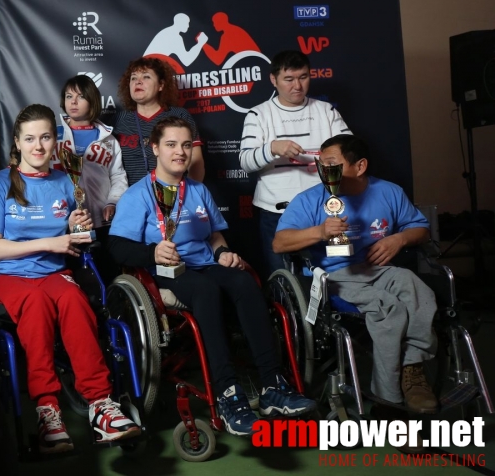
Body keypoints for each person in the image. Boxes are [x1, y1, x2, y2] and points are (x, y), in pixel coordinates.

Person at [109, 116, 316, 436]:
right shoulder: (138, 195)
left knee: (245, 281)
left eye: (185, 145)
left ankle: (273, 385)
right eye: (171, 145)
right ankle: (228, 393)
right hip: (166, 273)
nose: (180, 152)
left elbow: (215, 237)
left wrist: (223, 254)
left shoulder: (198, 189)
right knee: (205, 290)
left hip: (206, 264)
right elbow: (118, 247)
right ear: (154, 149)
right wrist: (151, 253)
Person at [0, 104, 141, 454]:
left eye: (46, 137)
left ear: (56, 142)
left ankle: (101, 405)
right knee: (36, 305)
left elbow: (74, 235)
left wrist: (75, 228)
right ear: (17, 143)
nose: (38, 146)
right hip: (10, 275)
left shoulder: (67, 180)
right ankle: (47, 408)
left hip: (54, 271)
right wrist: (51, 241)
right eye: (30, 138)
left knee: (75, 301)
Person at [273, 134, 438, 414]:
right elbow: (280, 243)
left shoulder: (389, 192)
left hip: (376, 269)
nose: (325, 172)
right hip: (334, 276)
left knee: (417, 288)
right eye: (321, 165)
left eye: (332, 164)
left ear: (359, 166)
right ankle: (388, 399)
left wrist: (399, 239)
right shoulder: (310, 199)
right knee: (388, 308)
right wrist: (320, 232)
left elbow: (420, 229)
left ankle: (413, 372)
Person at [239, 50, 351, 275]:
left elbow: (351, 153)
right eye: (288, 79)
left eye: (303, 77)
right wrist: (271, 148)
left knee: (335, 275)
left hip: (323, 208)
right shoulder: (258, 115)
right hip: (276, 210)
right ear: (274, 80)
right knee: (283, 280)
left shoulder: (326, 111)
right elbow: (245, 162)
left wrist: (330, 157)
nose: (297, 86)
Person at [113, 57, 205, 186]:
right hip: (130, 199)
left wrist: (188, 196)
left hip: (171, 197)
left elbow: (196, 162)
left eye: (146, 77)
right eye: (133, 78)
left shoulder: (179, 115)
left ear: (161, 85)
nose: (138, 82)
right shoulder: (119, 120)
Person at [53, 74, 128, 231]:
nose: (73, 101)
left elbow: (118, 176)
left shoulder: (108, 139)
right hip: (60, 219)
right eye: (69, 96)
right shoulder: (53, 136)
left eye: (81, 96)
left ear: (92, 101)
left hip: (99, 219)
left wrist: (112, 202)